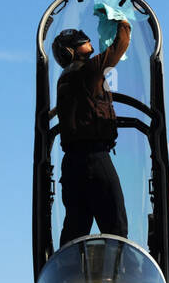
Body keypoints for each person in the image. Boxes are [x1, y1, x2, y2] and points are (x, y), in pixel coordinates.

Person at [51, 14, 131, 246]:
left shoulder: (65, 80)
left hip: (72, 166)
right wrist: (123, 22)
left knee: (75, 230)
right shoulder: (88, 72)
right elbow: (119, 47)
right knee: (116, 228)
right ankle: (119, 277)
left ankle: (68, 278)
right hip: (94, 160)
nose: (88, 43)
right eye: (81, 42)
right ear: (71, 52)